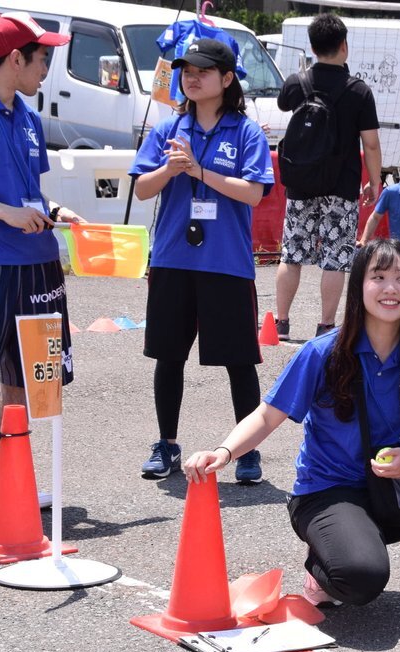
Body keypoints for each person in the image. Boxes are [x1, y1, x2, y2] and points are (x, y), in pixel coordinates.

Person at [183, 239, 400, 609]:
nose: (391, 288)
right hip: (328, 493)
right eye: (379, 277)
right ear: (359, 285)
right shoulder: (323, 351)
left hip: (393, 488)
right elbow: (267, 416)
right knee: (362, 578)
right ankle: (321, 563)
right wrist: (224, 452)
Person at [130, 39, 274, 483]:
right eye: (186, 71)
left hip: (226, 262)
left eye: (202, 71)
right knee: (168, 356)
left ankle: (246, 450)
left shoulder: (246, 132)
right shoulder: (167, 128)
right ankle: (166, 444)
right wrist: (170, 170)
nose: (191, 78)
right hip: (173, 258)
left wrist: (199, 172)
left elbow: (254, 193)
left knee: (239, 360)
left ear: (227, 79)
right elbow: (142, 189)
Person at [0, 12, 83, 509]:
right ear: (15, 59)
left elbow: (29, 192)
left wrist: (53, 211)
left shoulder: (30, 117)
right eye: (43, 59)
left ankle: (7, 479)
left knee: (28, 379)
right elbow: (4, 202)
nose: (46, 70)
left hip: (39, 264)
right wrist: (4, 213)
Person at [275, 12, 382, 341]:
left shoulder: (297, 82)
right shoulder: (358, 91)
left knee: (292, 254)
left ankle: (281, 322)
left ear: (312, 47)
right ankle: (325, 325)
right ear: (344, 45)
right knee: (335, 257)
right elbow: (371, 143)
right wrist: (375, 181)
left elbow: (282, 105)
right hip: (341, 185)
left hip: (301, 182)